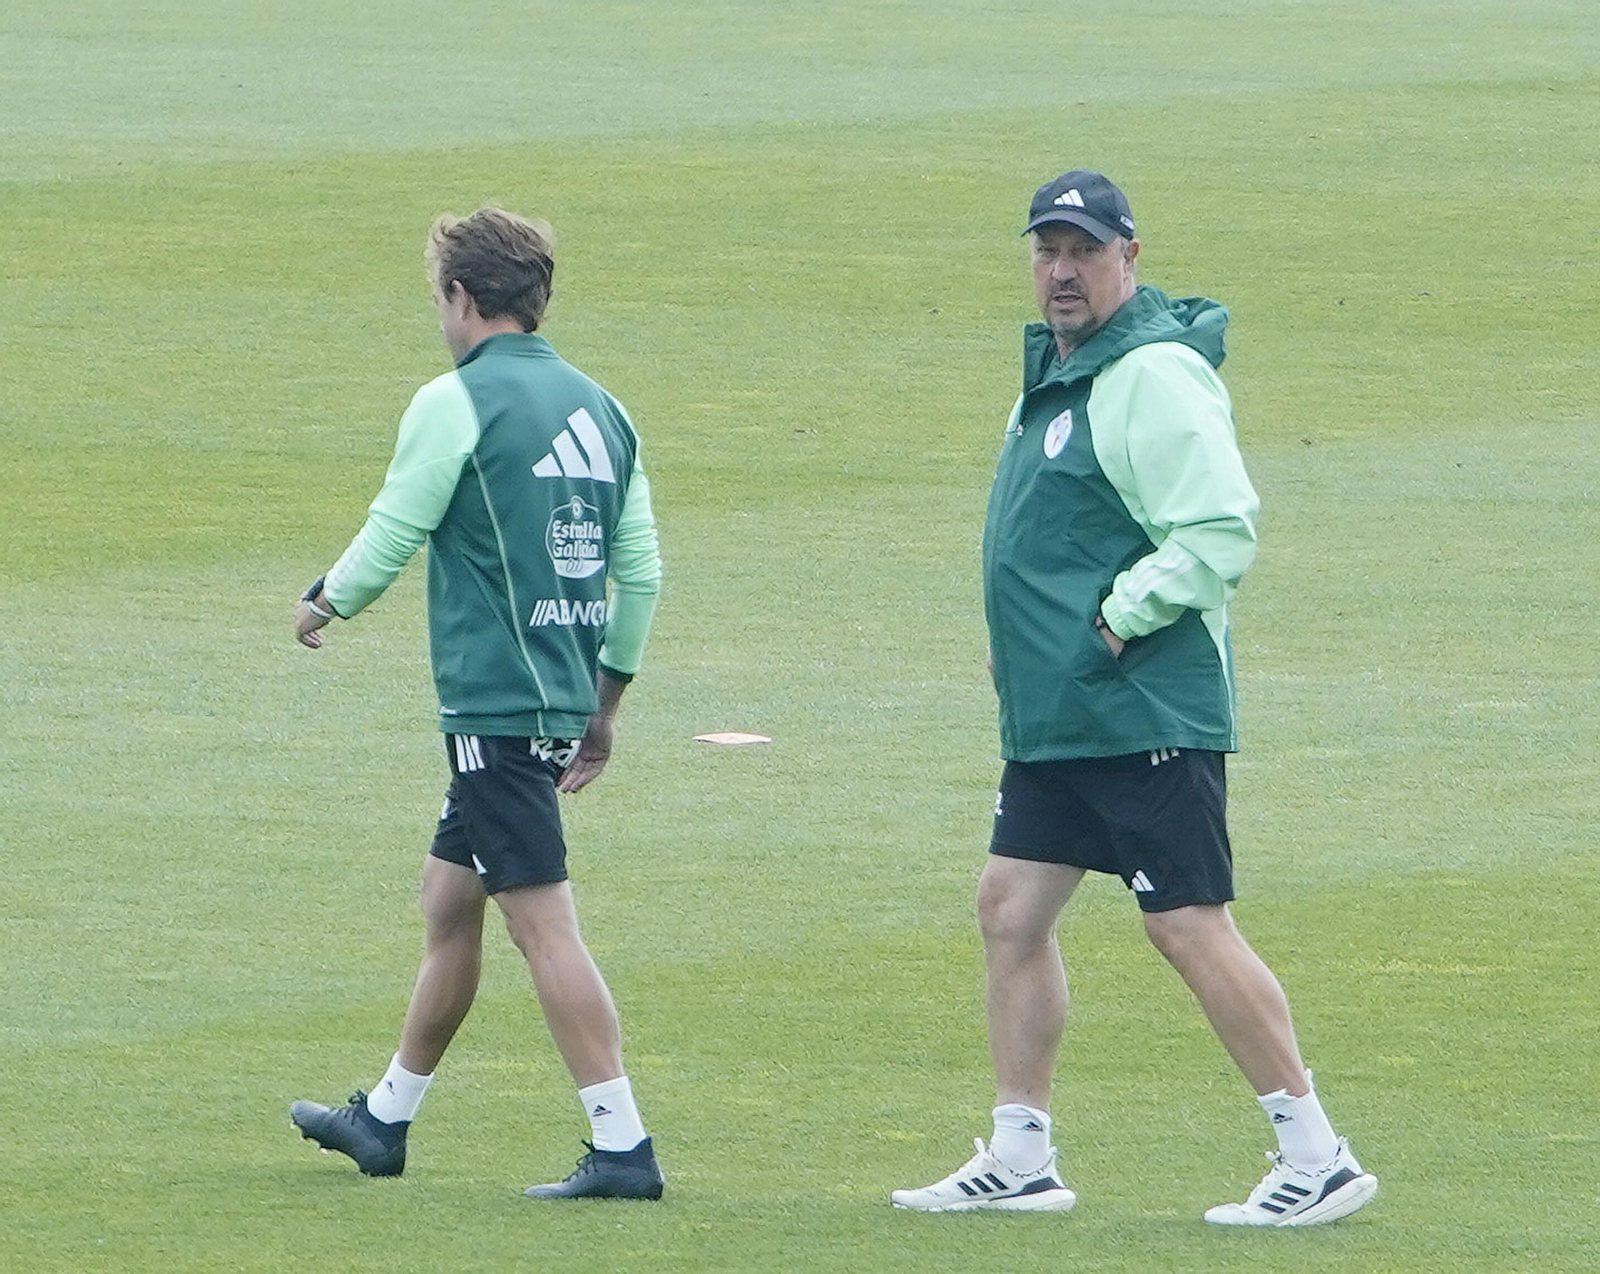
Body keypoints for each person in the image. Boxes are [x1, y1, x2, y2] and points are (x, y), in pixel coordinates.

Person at [891, 171, 1377, 1226]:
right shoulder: (1062, 371)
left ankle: (1316, 1151)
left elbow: (1215, 529)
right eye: (1046, 249)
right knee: (1008, 908)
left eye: (1083, 249)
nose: (1061, 270)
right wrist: (1025, 647)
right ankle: (1021, 1153)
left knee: (1187, 925)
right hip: (1062, 709)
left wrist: (1113, 620)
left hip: (1142, 704)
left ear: (1128, 256)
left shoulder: (1151, 372)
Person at [289, 207, 665, 1201]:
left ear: (462, 297)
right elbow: (642, 570)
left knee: (542, 924)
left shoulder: (455, 401)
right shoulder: (604, 407)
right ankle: (386, 1116)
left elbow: (393, 525)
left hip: (494, 705)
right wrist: (605, 700)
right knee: (448, 896)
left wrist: (325, 599)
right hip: (556, 695)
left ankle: (622, 1144)